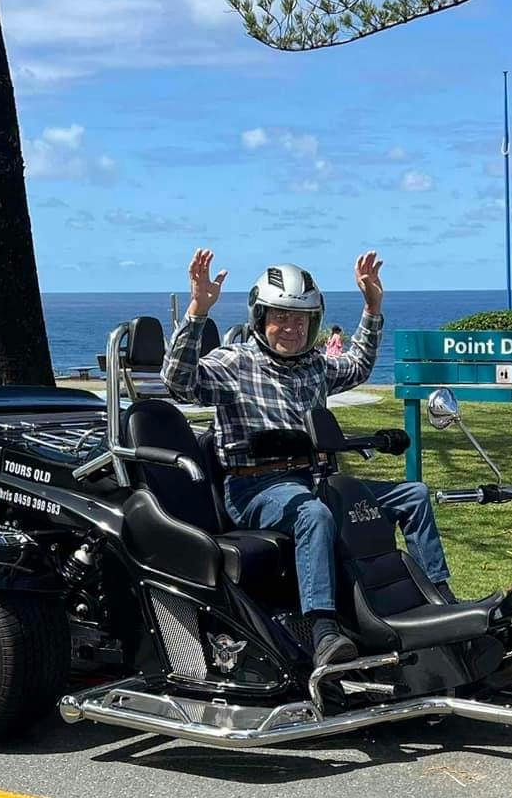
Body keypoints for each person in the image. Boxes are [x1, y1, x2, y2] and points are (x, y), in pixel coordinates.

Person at [162, 247, 455, 669]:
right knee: (313, 515)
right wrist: (198, 310)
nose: (292, 327)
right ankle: (323, 629)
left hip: (316, 480)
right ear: (260, 319)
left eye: (301, 318)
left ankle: (441, 601)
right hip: (255, 487)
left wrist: (372, 307)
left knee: (413, 494)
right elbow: (178, 383)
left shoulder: (314, 364)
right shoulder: (235, 363)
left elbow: (356, 367)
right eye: (281, 316)